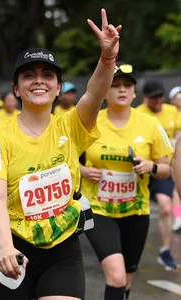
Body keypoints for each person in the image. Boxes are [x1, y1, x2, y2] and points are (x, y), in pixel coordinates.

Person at [0, 8, 121, 300]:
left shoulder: (72, 125)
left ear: (58, 87)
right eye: (29, 75)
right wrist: (4, 247)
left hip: (62, 251)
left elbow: (95, 92)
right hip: (12, 249)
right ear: (16, 88)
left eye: (47, 75)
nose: (39, 80)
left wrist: (107, 58)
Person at [80, 62, 173, 300]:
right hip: (98, 209)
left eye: (127, 86)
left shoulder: (151, 124)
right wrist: (82, 170)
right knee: (117, 276)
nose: (121, 90)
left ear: (134, 93)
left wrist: (150, 166)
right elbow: (65, 158)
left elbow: (166, 169)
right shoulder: (89, 121)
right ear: (104, 91)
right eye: (115, 85)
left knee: (126, 281)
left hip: (136, 210)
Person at [136, 79, 180, 269]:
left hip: (164, 166)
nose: (158, 100)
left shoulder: (172, 110)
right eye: (154, 97)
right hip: (142, 168)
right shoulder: (138, 114)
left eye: (161, 96)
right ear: (145, 98)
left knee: (164, 206)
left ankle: (165, 251)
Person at [168, 86, 181, 231]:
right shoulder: (170, 113)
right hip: (174, 154)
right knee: (177, 186)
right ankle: (178, 218)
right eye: (178, 96)